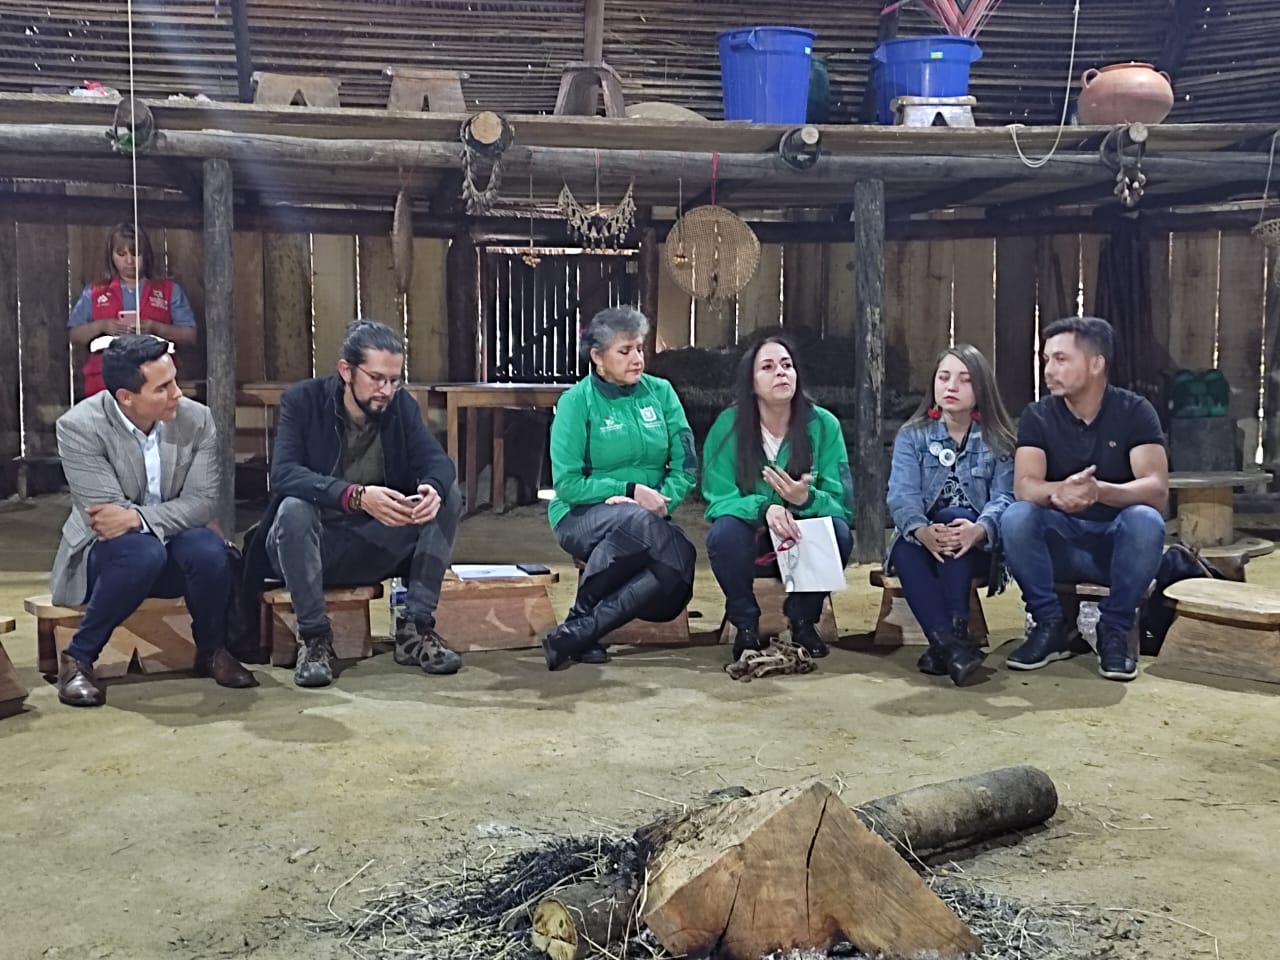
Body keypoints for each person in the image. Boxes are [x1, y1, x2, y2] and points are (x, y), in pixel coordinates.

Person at [242, 320, 463, 688]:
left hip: (373, 543)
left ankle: (416, 629)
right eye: (376, 378)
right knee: (294, 508)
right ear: (346, 370)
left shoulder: (401, 407)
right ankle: (314, 640)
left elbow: (437, 461)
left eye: (394, 380)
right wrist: (357, 496)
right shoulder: (303, 401)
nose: (386, 389)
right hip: (310, 547)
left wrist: (431, 488)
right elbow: (283, 475)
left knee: (448, 495)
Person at [50, 335, 256, 707]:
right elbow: (104, 516)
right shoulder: (79, 426)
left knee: (209, 549)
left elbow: (202, 502)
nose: (177, 393)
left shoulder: (196, 419)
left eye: (175, 380)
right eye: (162, 387)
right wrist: (141, 521)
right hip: (108, 558)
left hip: (169, 546)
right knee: (141, 552)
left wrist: (137, 517)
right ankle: (78, 658)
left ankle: (211, 651)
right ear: (126, 397)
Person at [1000, 316, 1168, 682]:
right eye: (1045, 359)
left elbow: (1155, 488)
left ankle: (1114, 631)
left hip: (1115, 550)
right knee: (1016, 516)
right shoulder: (1038, 415)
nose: (1049, 369)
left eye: (1061, 359)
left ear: (1096, 364)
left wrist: (1101, 491)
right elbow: (1025, 485)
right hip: (1060, 546)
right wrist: (1057, 491)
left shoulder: (1134, 411)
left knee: (1146, 520)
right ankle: (1049, 626)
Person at [542, 306, 698, 670]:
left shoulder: (662, 393)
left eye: (640, 348)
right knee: (659, 538)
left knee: (670, 556)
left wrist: (659, 500)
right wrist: (628, 491)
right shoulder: (575, 402)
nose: (637, 359)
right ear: (597, 357)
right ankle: (583, 624)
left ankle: (579, 629)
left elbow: (686, 465)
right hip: (579, 514)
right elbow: (566, 484)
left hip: (650, 518)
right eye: (624, 351)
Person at [702, 335, 854, 661]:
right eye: (768, 367)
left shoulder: (824, 425)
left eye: (787, 366)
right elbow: (717, 498)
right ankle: (745, 624)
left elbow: (842, 504)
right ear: (751, 382)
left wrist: (806, 498)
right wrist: (764, 507)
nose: (781, 373)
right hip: (752, 536)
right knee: (723, 534)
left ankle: (803, 621)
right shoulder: (727, 426)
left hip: (799, 533)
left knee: (838, 533)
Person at [885, 345, 1016, 686]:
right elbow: (902, 496)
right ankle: (952, 645)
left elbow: (1005, 497)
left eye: (964, 379)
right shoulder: (912, 436)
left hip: (976, 547)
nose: (951, 387)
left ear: (981, 388)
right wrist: (921, 531)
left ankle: (946, 645)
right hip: (924, 540)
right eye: (944, 377)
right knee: (903, 548)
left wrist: (980, 529)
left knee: (957, 518)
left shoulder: (999, 439)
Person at [68, 223, 198, 397]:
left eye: (136, 254)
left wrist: (155, 328)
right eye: (121, 254)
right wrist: (102, 326)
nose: (129, 261)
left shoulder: (168, 290)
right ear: (111, 256)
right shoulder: (95, 292)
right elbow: (74, 335)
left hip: (156, 383)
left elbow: (189, 335)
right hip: (104, 383)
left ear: (147, 255)